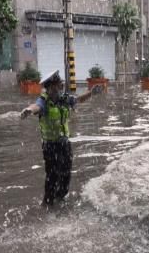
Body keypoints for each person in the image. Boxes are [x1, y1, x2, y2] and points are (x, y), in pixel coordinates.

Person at [20, 70, 96, 206]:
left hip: (64, 144)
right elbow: (36, 106)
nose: (61, 85)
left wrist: (91, 93)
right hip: (50, 146)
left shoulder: (64, 99)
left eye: (61, 83)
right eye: (58, 83)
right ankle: (47, 204)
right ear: (50, 87)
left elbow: (79, 99)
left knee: (66, 174)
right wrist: (29, 110)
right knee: (52, 176)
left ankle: (61, 199)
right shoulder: (43, 101)